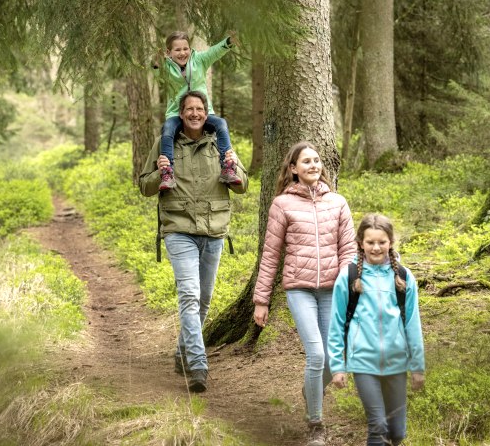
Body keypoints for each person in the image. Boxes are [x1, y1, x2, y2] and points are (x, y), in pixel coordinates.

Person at [139, 90, 248, 393]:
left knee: (203, 301)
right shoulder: (165, 144)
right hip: (179, 228)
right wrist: (160, 171)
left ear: (207, 112)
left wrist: (235, 165)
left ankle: (181, 352)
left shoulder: (219, 143)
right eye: (190, 109)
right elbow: (145, 186)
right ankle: (198, 365)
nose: (195, 114)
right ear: (181, 112)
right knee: (189, 295)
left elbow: (242, 186)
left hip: (214, 230)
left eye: (200, 109)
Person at [253, 141, 356, 446]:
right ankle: (316, 424)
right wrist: (261, 300)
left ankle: (310, 391)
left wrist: (345, 282)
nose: (313, 165)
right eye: (306, 162)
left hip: (331, 291)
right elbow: (270, 254)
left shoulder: (337, 202)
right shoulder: (282, 205)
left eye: (316, 160)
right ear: (293, 169)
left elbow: (348, 249)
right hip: (299, 289)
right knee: (317, 353)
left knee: (333, 357)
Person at [327, 213, 425, 446]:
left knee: (398, 432)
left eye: (382, 242)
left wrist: (417, 366)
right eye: (370, 242)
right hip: (363, 362)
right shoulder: (349, 276)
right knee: (378, 426)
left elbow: (412, 323)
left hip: (397, 362)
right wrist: (337, 366)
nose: (376, 248)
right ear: (361, 243)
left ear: (390, 242)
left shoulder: (403, 276)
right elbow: (337, 323)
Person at [153, 30, 240, 190]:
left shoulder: (199, 60)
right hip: (176, 113)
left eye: (185, 48)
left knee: (221, 124)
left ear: (190, 49)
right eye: (177, 50)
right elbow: (155, 70)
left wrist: (228, 41)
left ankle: (228, 167)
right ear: (169, 52)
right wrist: (156, 62)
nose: (182, 53)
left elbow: (214, 52)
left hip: (201, 113)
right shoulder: (166, 67)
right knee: (167, 130)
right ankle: (167, 172)